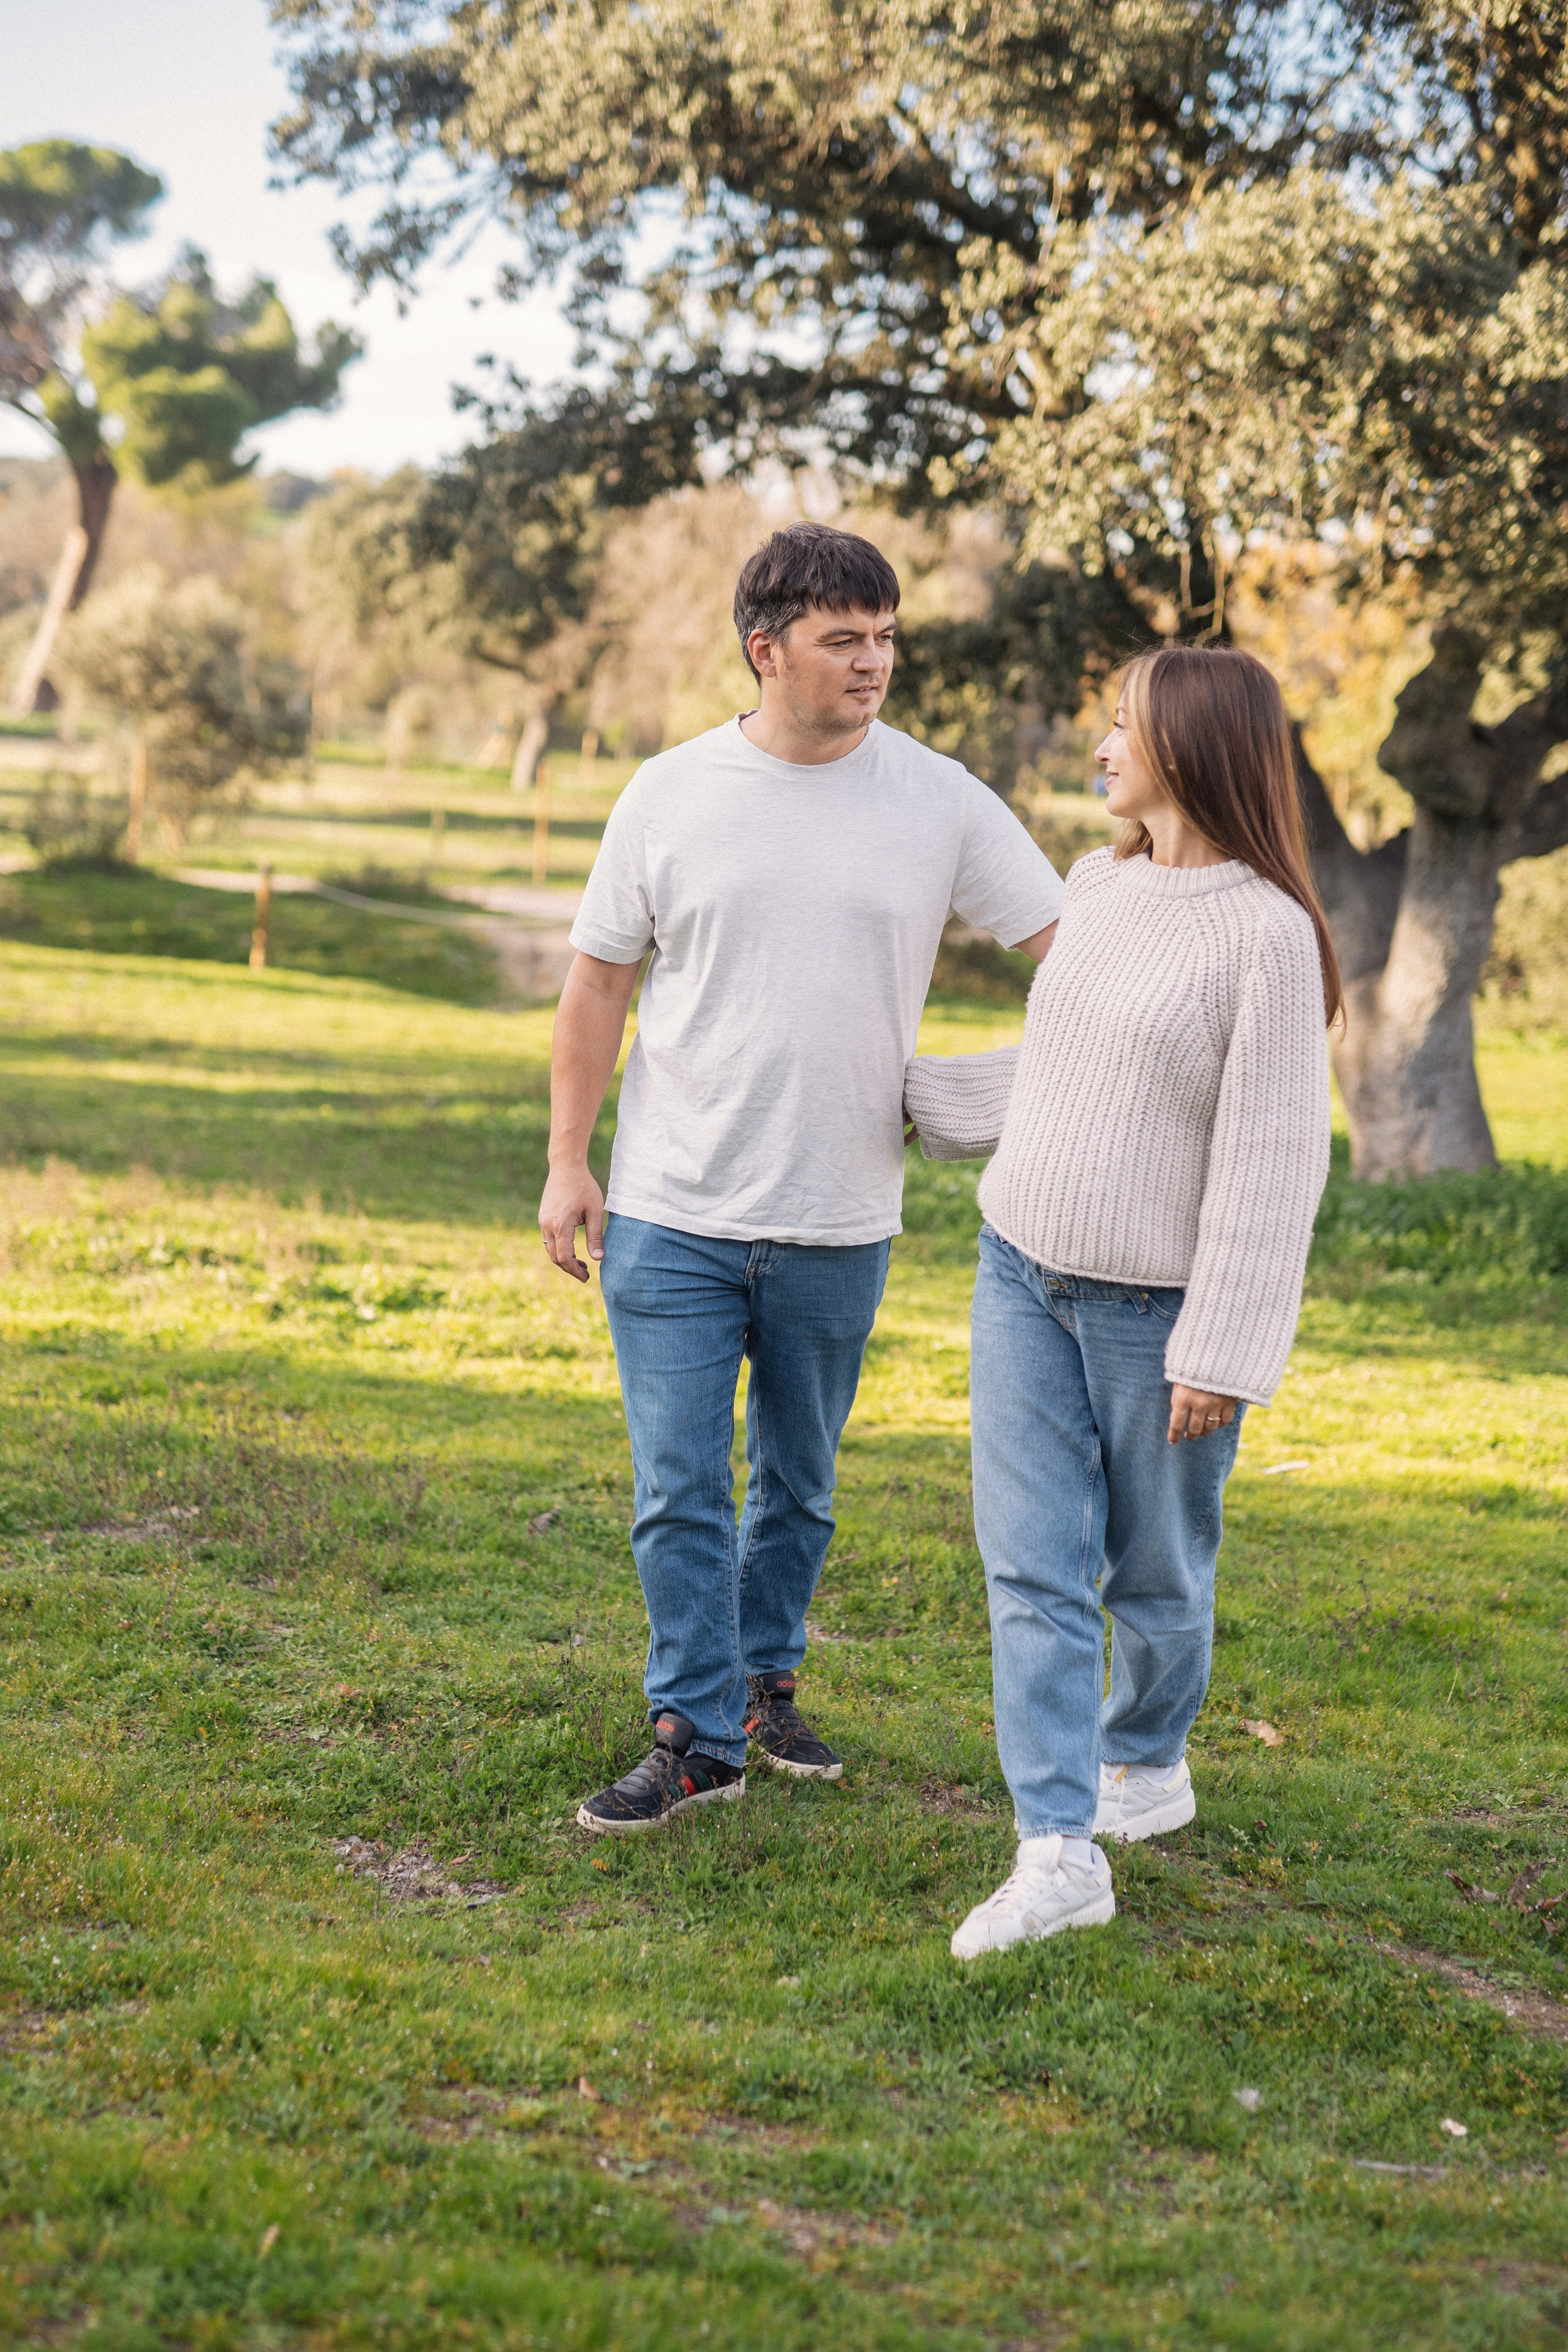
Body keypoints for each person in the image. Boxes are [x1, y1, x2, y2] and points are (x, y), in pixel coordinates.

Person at [540, 522, 1065, 1834]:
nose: (873, 661)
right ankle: (694, 1732)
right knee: (676, 1489)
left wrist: (984, 1089)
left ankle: (765, 1684)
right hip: (671, 1209)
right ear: (765, 649)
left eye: (885, 636)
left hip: (840, 1214)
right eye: (845, 639)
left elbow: (1075, 949)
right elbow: (597, 983)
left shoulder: (937, 798)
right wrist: (566, 1160)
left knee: (799, 1486)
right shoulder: (667, 792)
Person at [903, 644, 1339, 1956]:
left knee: (1154, 1574)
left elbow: (1272, 1162)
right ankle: (1055, 1846)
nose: (1098, 745)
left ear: (1188, 748)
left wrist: (1225, 1344)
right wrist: (919, 1099)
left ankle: (1144, 1754)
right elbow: (1063, 1061)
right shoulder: (1095, 886)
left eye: (1118, 724)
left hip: (1156, 1317)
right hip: (1017, 1274)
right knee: (1030, 1566)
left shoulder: (1268, 936)